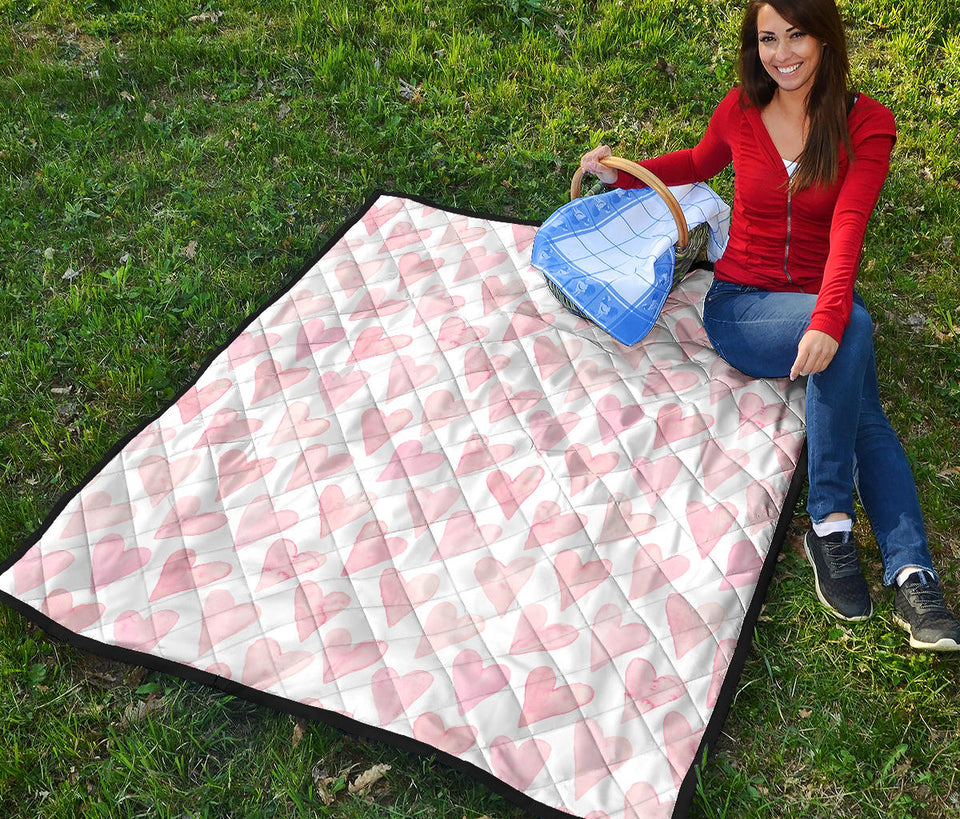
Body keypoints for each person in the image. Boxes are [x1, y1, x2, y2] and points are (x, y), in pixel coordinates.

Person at [579, 0, 960, 651]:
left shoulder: (867, 124)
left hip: (815, 301)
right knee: (855, 336)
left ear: (825, 37)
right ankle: (836, 524)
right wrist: (623, 177)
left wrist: (829, 316)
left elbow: (849, 227)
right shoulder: (741, 109)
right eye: (768, 38)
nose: (782, 54)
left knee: (860, 383)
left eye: (797, 35)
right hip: (741, 307)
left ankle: (908, 570)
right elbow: (698, 163)